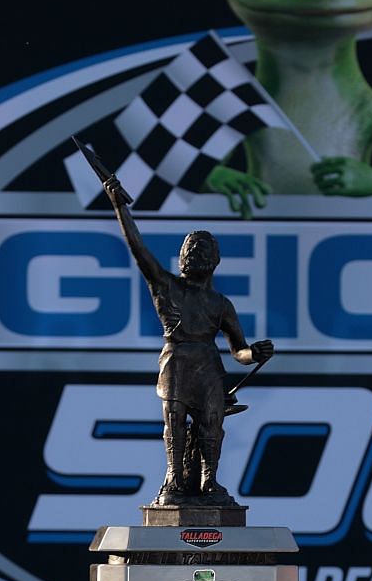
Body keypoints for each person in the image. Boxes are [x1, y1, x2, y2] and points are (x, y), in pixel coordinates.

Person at [102, 174, 272, 505]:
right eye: (189, 249)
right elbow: (137, 247)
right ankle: (174, 479)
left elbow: (238, 350)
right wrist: (118, 205)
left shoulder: (220, 303)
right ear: (181, 257)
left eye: (202, 249)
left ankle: (209, 481)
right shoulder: (166, 286)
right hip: (177, 360)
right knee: (175, 422)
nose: (194, 253)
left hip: (208, 366)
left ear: (214, 261)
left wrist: (254, 353)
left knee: (212, 424)